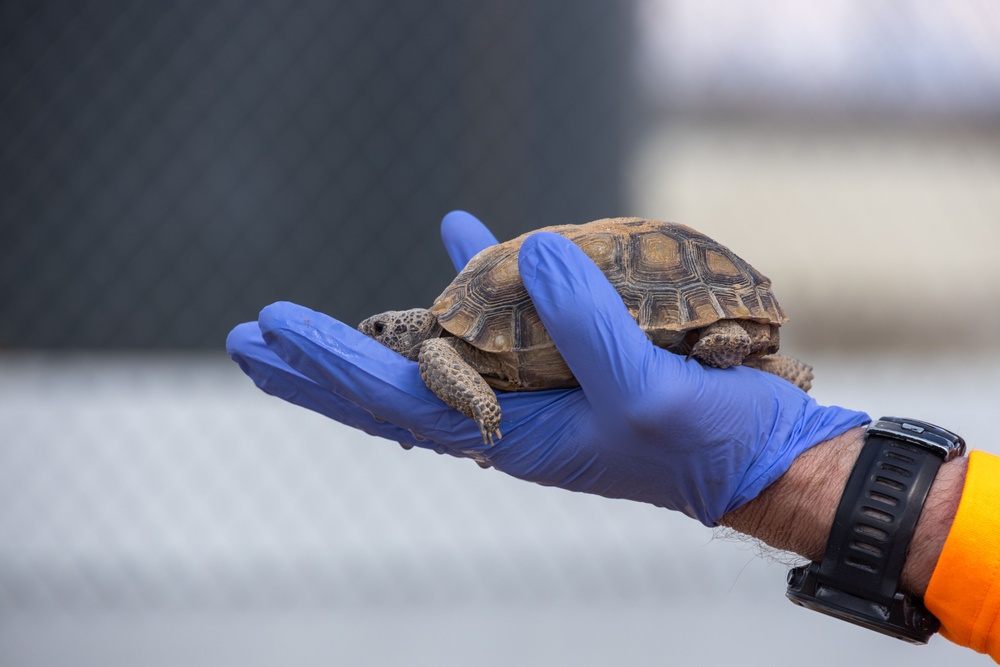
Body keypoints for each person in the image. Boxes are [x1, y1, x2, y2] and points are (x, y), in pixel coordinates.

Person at [227, 211, 1000, 662]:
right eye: (382, 330)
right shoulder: (445, 326)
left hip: (669, 302)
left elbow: (443, 351)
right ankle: (743, 354)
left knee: (704, 346)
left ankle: (735, 346)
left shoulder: (437, 338)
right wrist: (812, 469)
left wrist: (797, 463)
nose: (389, 335)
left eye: (387, 329)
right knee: (692, 355)